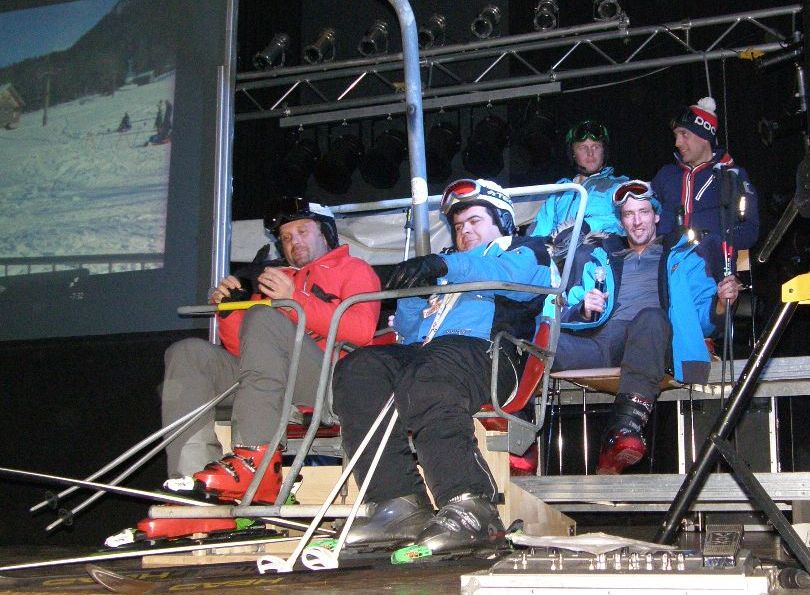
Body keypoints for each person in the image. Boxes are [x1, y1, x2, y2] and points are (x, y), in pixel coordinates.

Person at [331, 179, 553, 560]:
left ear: (502, 221)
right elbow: (409, 333)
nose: (465, 231)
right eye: (458, 226)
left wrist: (443, 264)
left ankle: (471, 503)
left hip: (492, 355)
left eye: (475, 221)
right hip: (431, 353)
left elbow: (510, 278)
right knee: (360, 370)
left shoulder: (524, 251)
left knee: (432, 371)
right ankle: (397, 502)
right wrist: (416, 295)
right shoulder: (447, 270)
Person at [159, 200, 380, 504]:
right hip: (271, 383)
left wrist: (295, 299)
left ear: (325, 234)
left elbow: (361, 331)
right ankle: (192, 485)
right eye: (286, 237)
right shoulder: (273, 280)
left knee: (264, 316)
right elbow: (246, 352)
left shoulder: (353, 269)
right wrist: (231, 310)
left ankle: (254, 461)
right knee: (188, 353)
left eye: (302, 231)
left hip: (329, 382)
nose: (294, 241)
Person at [551, 180, 741, 475]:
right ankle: (516, 444)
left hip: (654, 339)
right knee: (543, 341)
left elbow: (703, 320)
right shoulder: (602, 257)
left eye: (643, 212)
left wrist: (720, 303)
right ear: (621, 221)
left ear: (656, 216)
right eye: (629, 214)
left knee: (650, 318)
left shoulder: (682, 257)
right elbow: (569, 307)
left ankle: (623, 430)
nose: (637, 221)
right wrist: (584, 308)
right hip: (605, 339)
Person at [652, 97, 759, 280]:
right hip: (669, 271)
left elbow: (750, 230)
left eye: (684, 134)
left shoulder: (731, 175)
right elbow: (644, 219)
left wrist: (713, 242)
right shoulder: (665, 175)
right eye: (676, 136)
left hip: (713, 273)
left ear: (704, 136)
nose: (677, 142)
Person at [530, 120, 628, 240]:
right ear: (573, 154)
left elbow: (626, 222)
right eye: (582, 147)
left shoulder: (619, 187)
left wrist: (584, 227)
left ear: (604, 152)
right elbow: (539, 232)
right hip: (558, 248)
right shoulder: (561, 191)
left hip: (599, 248)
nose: (590, 153)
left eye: (596, 146)